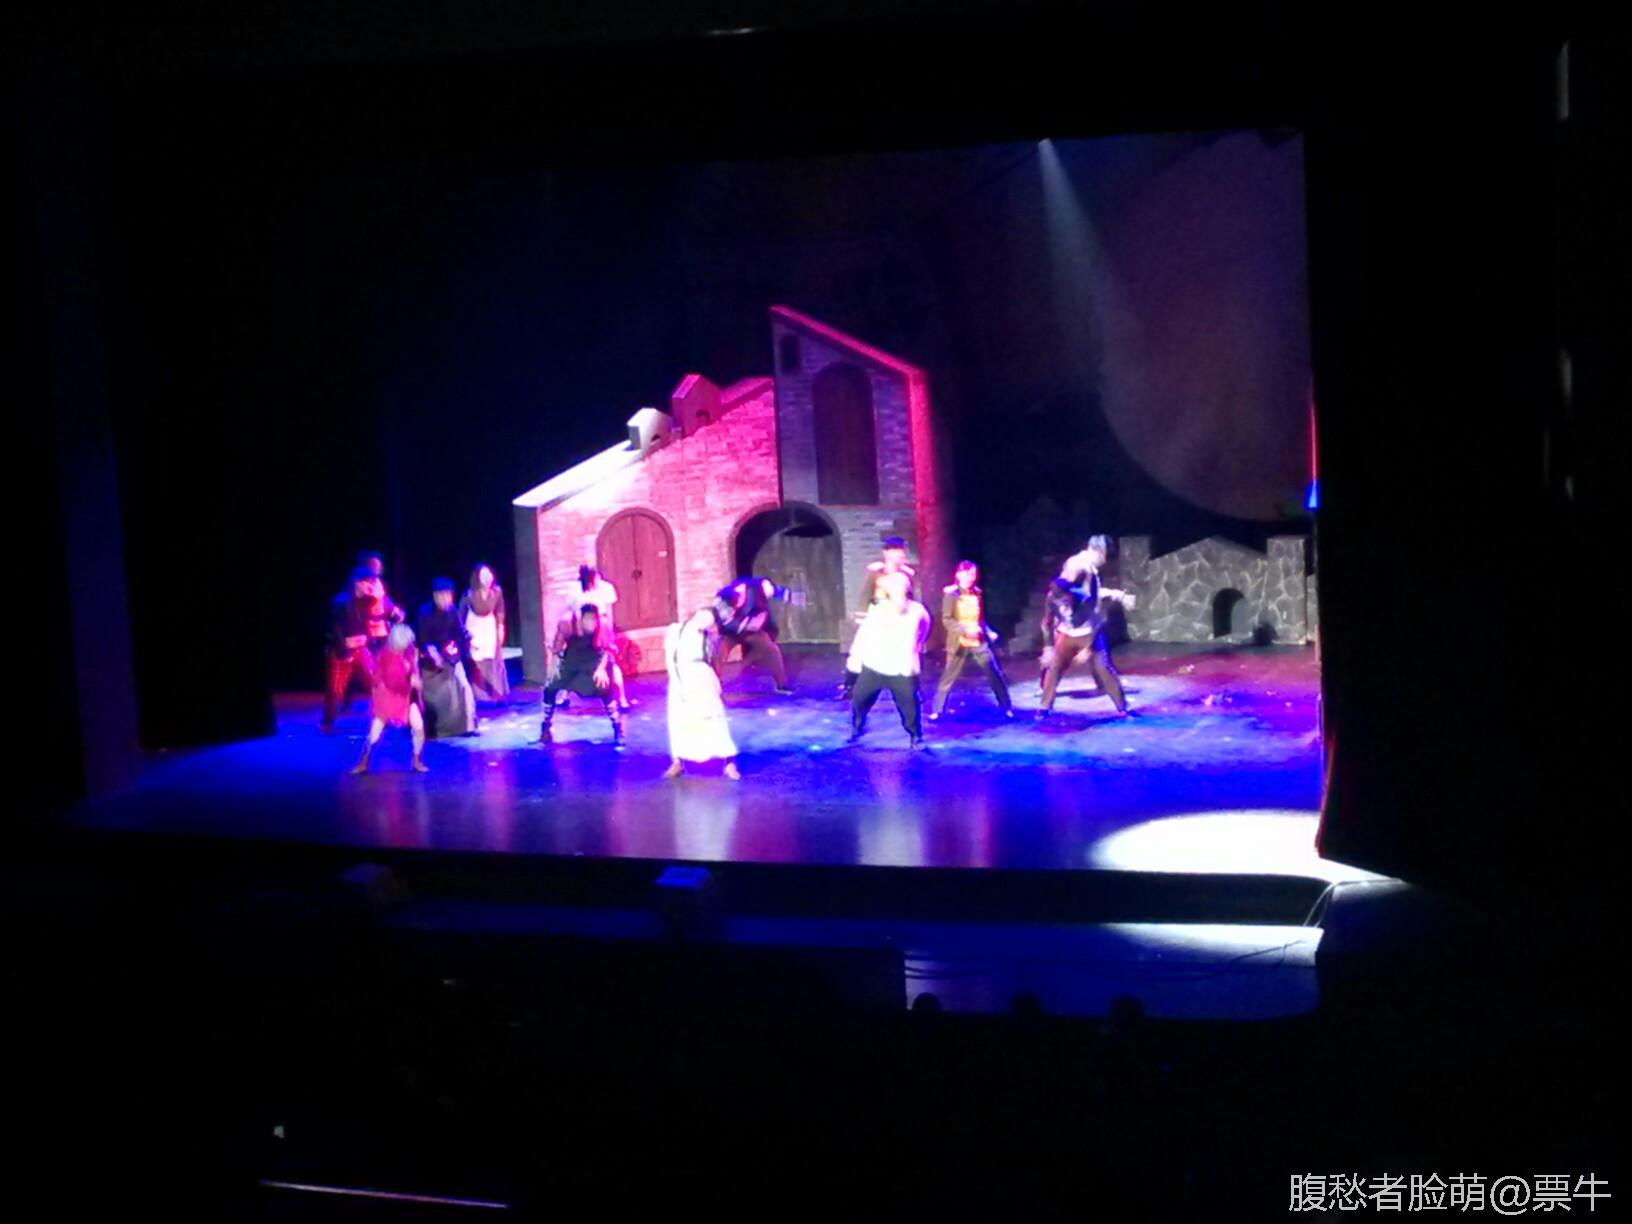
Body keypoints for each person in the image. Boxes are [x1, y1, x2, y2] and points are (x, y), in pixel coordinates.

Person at [1038, 536, 1135, 718]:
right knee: (1055, 666)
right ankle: (1044, 707)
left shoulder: (1084, 595)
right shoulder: (1055, 595)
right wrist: (1048, 648)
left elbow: (1097, 614)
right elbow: (1046, 622)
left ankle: (1123, 708)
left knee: (1103, 668)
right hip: (1067, 634)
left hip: (1090, 632)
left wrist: (1088, 648)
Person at [847, 571, 932, 749]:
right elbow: (864, 634)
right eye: (893, 590)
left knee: (909, 705)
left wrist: (917, 644)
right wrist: (856, 658)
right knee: (859, 699)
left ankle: (915, 736)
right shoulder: (878, 610)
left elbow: (925, 626)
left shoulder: (917, 610)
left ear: (906, 591)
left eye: (900, 590)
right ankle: (857, 727)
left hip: (902, 668)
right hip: (875, 665)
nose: (897, 594)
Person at [663, 606, 741, 779]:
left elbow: (712, 662)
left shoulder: (708, 637)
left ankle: (729, 762)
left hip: (702, 678)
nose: (703, 622)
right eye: (702, 617)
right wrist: (677, 681)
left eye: (708, 621)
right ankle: (678, 761)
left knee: (713, 719)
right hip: (681, 678)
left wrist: (715, 683)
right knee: (680, 720)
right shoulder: (676, 630)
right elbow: (670, 659)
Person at [930, 561, 1013, 721]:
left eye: (973, 575)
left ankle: (1006, 706)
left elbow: (979, 618)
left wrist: (989, 631)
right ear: (959, 575)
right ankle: (938, 709)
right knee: (949, 676)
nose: (971, 578)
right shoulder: (952, 595)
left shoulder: (977, 593)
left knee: (993, 672)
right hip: (959, 641)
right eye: (967, 574)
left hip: (977, 639)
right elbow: (947, 620)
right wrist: (964, 629)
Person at [840, 536, 918, 700]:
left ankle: (913, 689)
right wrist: (861, 617)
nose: (900, 554)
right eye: (896, 551)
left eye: (901, 551)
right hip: (878, 615)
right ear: (886, 553)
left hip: (897, 618)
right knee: (860, 651)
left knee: (905, 653)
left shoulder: (907, 574)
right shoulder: (876, 572)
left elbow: (911, 599)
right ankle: (849, 686)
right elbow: (866, 594)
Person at [540, 604, 624, 749]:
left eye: (594, 619)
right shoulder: (567, 623)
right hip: (571, 662)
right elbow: (557, 645)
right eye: (588, 619)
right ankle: (545, 728)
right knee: (550, 687)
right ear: (581, 618)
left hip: (594, 662)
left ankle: (618, 729)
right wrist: (553, 665)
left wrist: (601, 669)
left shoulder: (603, 625)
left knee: (604, 688)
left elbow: (608, 650)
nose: (591, 623)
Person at [351, 623, 428, 773]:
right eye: (406, 642)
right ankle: (363, 762)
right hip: (387, 698)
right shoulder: (387, 656)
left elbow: (413, 670)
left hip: (406, 697)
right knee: (375, 731)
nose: (409, 644)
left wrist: (415, 683)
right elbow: (393, 682)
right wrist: (411, 682)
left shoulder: (409, 651)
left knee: (418, 726)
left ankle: (416, 760)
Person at [712, 575, 800, 695]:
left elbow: (776, 591)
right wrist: (746, 625)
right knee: (720, 651)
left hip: (752, 629)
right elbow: (727, 625)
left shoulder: (757, 588)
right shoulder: (721, 601)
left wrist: (792, 597)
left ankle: (781, 685)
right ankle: (715, 681)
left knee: (772, 649)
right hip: (731, 632)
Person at [417, 577, 478, 738]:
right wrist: (433, 654)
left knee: (464, 687)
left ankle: (468, 727)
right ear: (435, 596)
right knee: (441, 694)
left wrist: (467, 638)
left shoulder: (452, 611)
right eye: (441, 595)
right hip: (431, 663)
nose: (445, 599)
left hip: (450, 657)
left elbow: (459, 632)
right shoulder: (425, 613)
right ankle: (439, 730)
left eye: (448, 595)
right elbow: (423, 640)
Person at [566, 565, 632, 711]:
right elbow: (573, 613)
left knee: (610, 663)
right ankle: (564, 695)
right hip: (581, 629)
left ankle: (622, 698)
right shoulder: (575, 589)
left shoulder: (605, 588)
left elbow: (608, 613)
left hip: (601, 628)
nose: (596, 580)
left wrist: (609, 634)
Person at [323, 567, 377, 732]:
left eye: (372, 582)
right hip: (341, 651)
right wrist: (344, 647)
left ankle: (384, 716)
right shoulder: (341, 601)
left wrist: (365, 638)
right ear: (357, 582)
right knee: (336, 690)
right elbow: (334, 628)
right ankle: (328, 723)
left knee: (374, 681)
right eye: (367, 582)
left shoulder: (367, 601)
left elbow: (367, 624)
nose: (370, 585)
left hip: (360, 649)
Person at [461, 564, 510, 703]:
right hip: (475, 627)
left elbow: (500, 610)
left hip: (489, 628)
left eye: (489, 575)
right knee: (477, 663)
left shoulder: (496, 592)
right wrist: (466, 636)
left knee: (494, 661)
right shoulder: (469, 595)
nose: (488, 579)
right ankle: (480, 695)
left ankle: (497, 694)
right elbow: (460, 614)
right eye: (484, 576)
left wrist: (500, 627)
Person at [357, 551, 405, 651]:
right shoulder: (364, 585)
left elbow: (384, 599)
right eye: (374, 565)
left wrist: (395, 610)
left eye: (379, 565)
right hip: (368, 630)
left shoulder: (379, 582)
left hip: (381, 629)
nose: (378, 567)